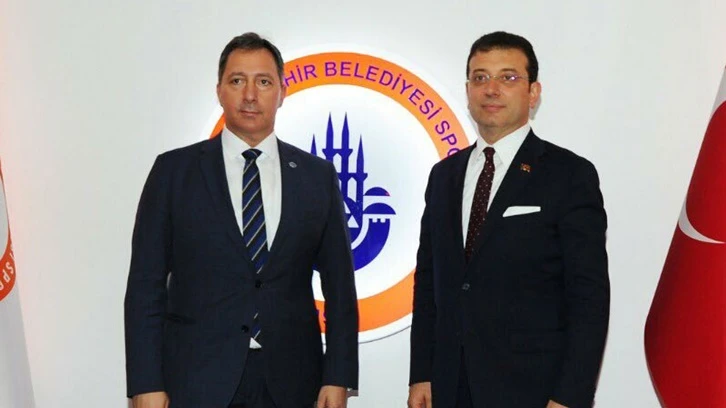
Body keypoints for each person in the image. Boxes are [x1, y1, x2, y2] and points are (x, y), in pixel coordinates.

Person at [124, 32, 359, 408]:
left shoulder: (316, 176)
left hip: (294, 382)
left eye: (263, 82)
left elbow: (340, 288)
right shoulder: (173, 172)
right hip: (196, 380)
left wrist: (339, 376)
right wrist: (145, 383)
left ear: (282, 92)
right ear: (219, 91)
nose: (250, 95)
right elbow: (145, 287)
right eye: (237, 81)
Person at [408, 31, 609, 408]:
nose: (491, 89)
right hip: (449, 387)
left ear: (533, 93)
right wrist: (421, 373)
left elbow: (588, 296)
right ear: (467, 90)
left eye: (508, 77)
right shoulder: (444, 176)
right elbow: (429, 283)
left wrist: (570, 396)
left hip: (533, 389)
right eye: (480, 77)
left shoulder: (568, 174)